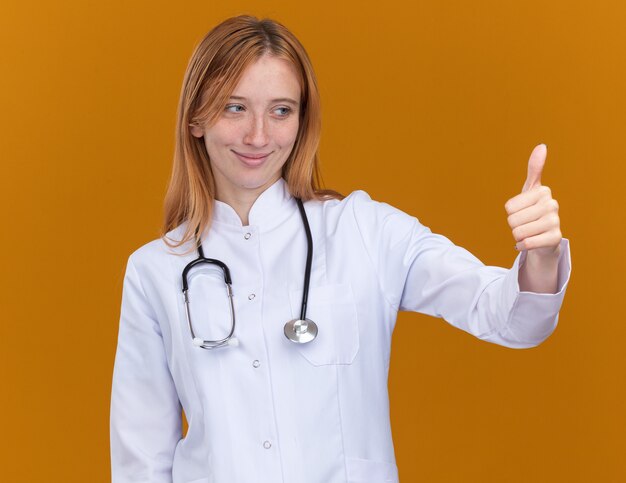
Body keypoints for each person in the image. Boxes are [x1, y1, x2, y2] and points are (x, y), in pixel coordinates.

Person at [110, 14, 572, 483]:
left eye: (281, 110)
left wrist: (541, 255)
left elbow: (508, 317)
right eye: (234, 107)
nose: (258, 136)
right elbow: (140, 461)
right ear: (195, 117)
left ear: (302, 119)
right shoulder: (155, 271)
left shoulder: (364, 231)